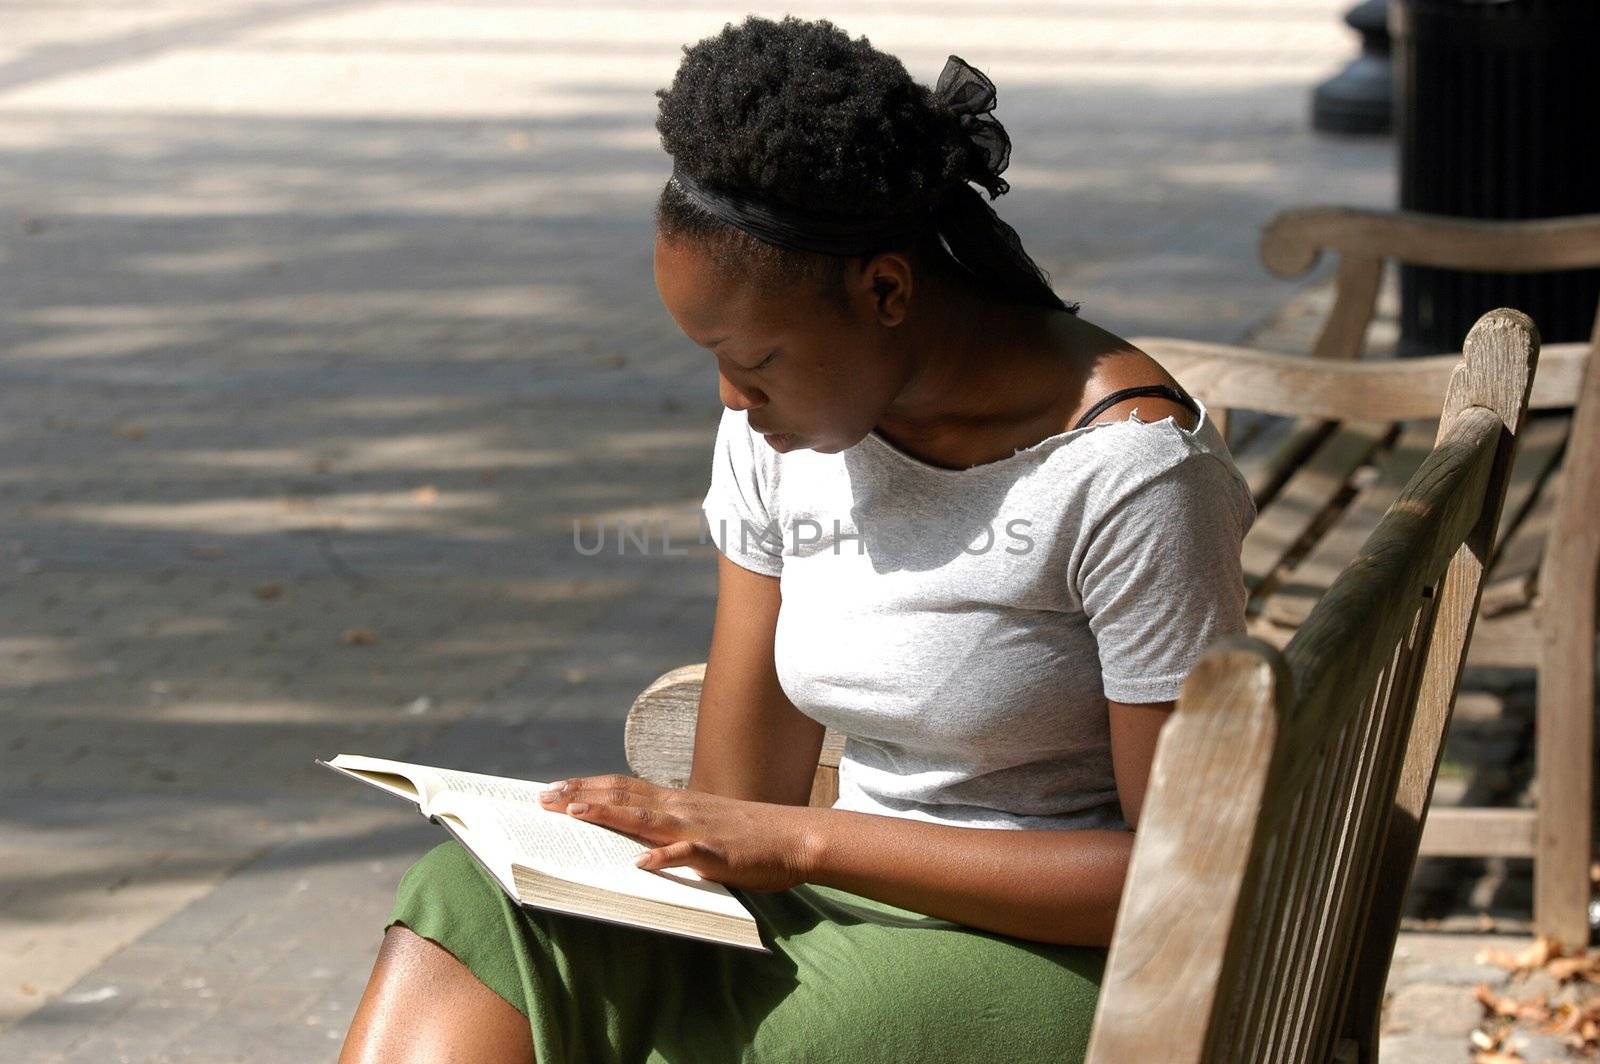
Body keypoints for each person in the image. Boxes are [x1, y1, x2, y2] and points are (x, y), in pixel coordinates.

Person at [339, 15, 1256, 1064]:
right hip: (824, 903)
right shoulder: (782, 435)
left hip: (1049, 954)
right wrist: (598, 845)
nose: (733, 397)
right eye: (714, 360)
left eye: (756, 358)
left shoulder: (1130, 479)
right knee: (469, 899)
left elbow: (1174, 877)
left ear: (885, 289)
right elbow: (743, 802)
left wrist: (802, 842)